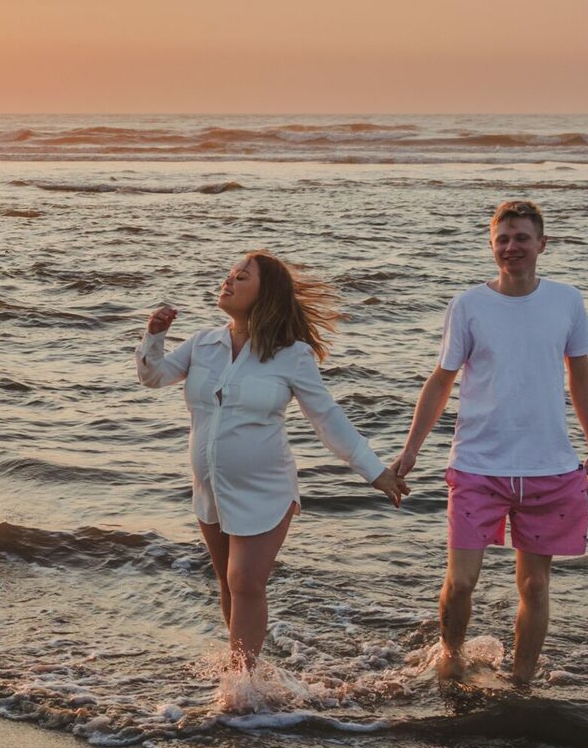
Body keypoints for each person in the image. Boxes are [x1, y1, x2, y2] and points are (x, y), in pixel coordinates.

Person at [137, 251, 408, 671]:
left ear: (266, 294)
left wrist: (375, 472)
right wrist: (154, 336)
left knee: (245, 581)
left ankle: (242, 684)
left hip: (265, 489)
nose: (228, 281)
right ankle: (242, 673)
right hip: (210, 489)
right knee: (230, 584)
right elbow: (153, 377)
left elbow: (327, 418)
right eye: (229, 274)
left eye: (241, 277)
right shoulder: (203, 343)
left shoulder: (292, 355)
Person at [391, 199, 588, 686]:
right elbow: (441, 380)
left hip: (550, 468)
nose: (511, 247)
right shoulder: (469, 305)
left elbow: (581, 377)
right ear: (491, 245)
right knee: (462, 581)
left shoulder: (566, 300)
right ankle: (450, 657)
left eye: (521, 238)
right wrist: (412, 447)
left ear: (541, 244)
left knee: (535, 585)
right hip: (478, 465)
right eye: (502, 239)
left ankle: (522, 682)